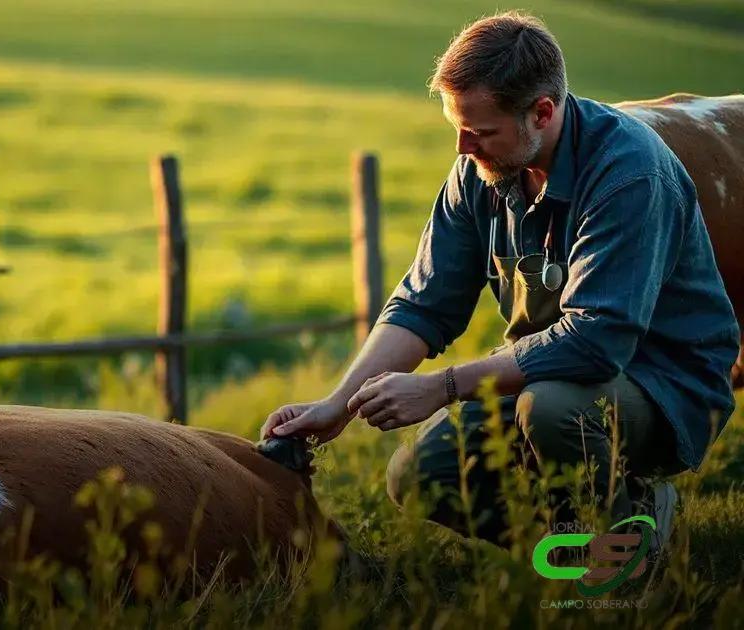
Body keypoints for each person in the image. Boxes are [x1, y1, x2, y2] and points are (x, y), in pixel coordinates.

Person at [260, 11, 739, 552]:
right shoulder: (481, 170)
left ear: (542, 112)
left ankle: (614, 572)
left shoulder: (630, 172)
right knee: (422, 477)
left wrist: (442, 388)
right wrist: (336, 406)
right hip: (543, 373)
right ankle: (616, 527)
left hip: (662, 383)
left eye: (481, 131)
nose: (464, 148)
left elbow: (596, 341)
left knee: (553, 407)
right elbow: (423, 304)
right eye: (457, 128)